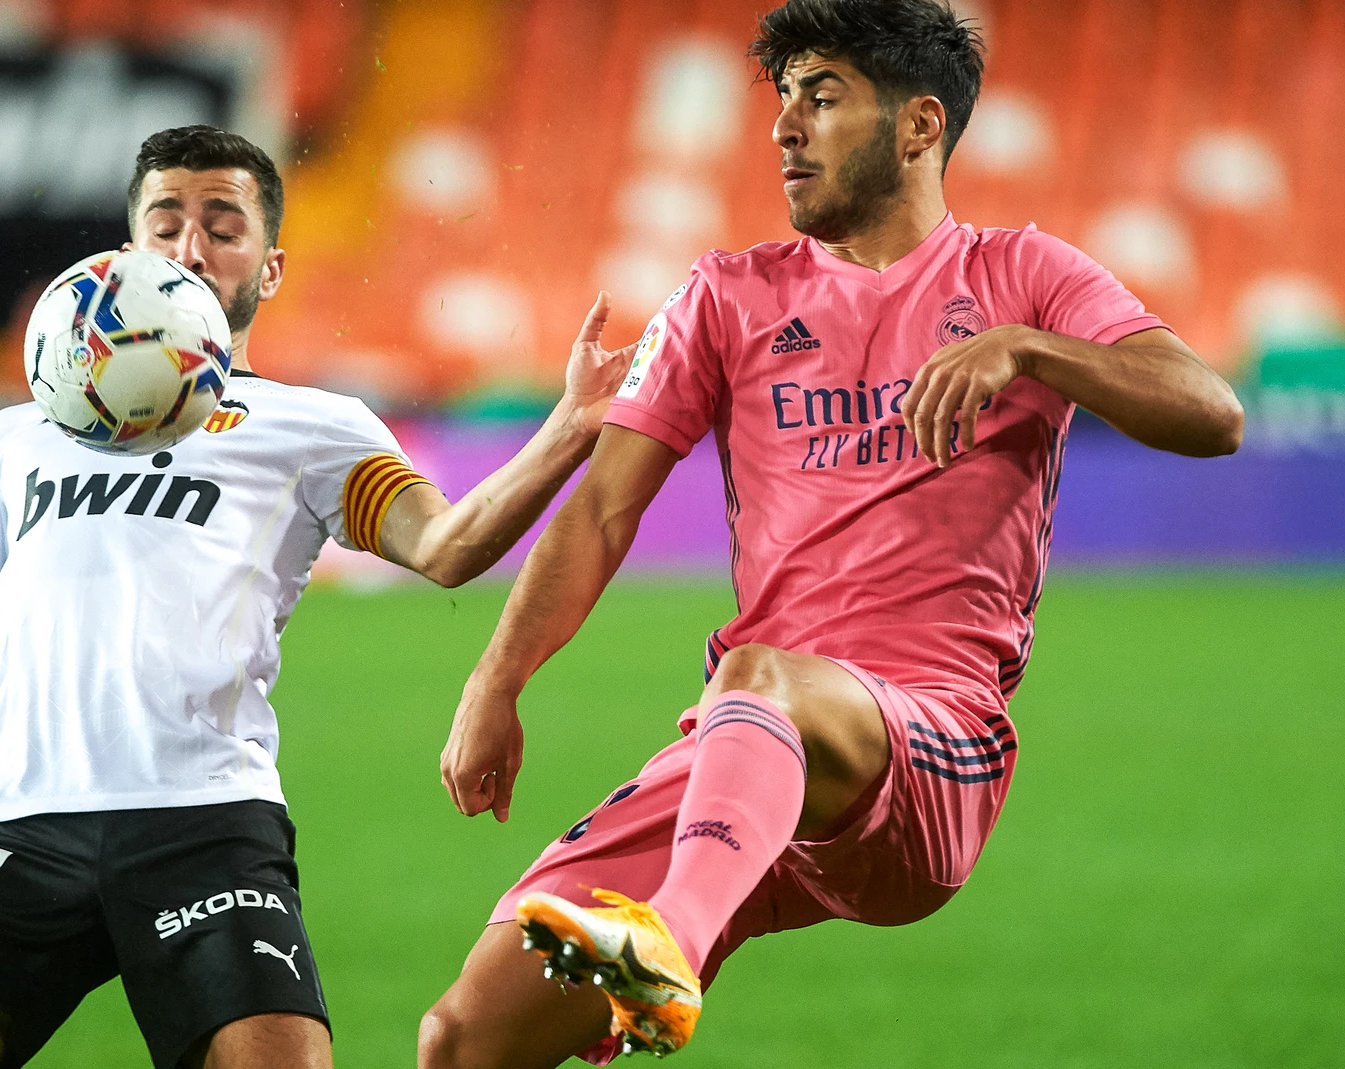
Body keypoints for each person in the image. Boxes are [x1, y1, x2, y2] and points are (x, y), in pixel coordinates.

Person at [419, 1, 1244, 1064]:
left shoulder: (1022, 279)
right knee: (462, 1039)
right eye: (782, 99)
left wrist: (1030, 352)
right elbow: (601, 508)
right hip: (743, 753)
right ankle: (674, 926)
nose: (784, 127)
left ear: (916, 127)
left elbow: (1211, 413)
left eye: (823, 96)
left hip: (930, 751)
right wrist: (495, 684)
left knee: (760, 678)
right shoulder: (727, 295)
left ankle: (666, 938)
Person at [0, 125, 630, 1069]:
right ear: (126, 250)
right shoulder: (15, 438)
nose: (191, 246)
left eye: (225, 225)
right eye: (166, 222)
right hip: (13, 825)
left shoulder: (312, 427)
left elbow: (451, 545)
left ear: (271, 265)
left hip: (205, 825)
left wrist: (567, 430)